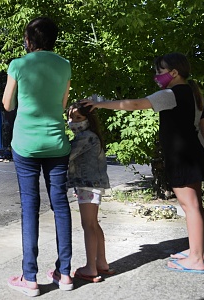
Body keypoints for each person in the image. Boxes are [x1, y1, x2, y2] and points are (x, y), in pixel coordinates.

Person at [83, 52, 204, 274]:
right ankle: (197, 251)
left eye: (159, 71)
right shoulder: (193, 92)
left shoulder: (171, 94)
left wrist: (100, 104)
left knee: (190, 207)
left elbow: (133, 104)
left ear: (174, 72)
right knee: (195, 205)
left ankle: (196, 259)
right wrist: (203, 149)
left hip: (181, 157)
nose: (156, 76)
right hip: (194, 154)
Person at [2, 17, 73, 297]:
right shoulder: (64, 64)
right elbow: (63, 104)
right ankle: (64, 273)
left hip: (26, 144)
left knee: (30, 207)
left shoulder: (18, 65)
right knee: (61, 205)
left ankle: (29, 278)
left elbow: (7, 104)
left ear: (29, 40)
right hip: (56, 143)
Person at [66, 101, 113, 283]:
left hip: (88, 185)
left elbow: (67, 155)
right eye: (70, 117)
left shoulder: (85, 136)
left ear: (88, 118)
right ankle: (101, 263)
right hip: (92, 184)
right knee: (94, 224)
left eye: (78, 117)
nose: (73, 121)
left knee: (88, 225)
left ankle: (90, 267)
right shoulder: (92, 135)